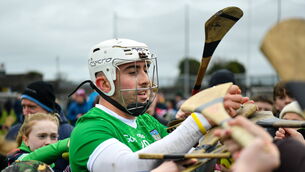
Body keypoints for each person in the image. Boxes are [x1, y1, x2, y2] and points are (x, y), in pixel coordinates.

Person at [69, 38, 249, 172]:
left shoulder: (147, 121)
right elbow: (129, 167)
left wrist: (219, 133)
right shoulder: (89, 128)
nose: (146, 80)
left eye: (145, 69)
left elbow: (191, 158)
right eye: (133, 72)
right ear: (104, 84)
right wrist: (202, 118)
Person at [5, 81, 73, 172]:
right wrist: (65, 144)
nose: (26, 111)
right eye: (42, 136)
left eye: (31, 107)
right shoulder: (16, 154)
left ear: (47, 108)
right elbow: (27, 162)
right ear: (25, 140)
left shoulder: (68, 131)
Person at [6, 81, 73, 141]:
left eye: (31, 107)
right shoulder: (14, 132)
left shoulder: (68, 133)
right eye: (23, 106)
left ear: (48, 109)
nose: (25, 111)